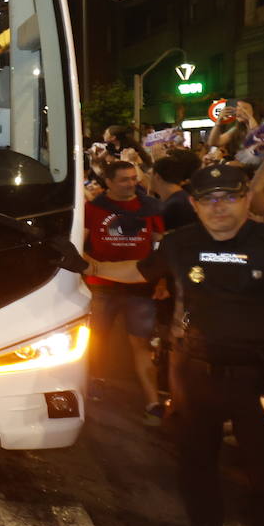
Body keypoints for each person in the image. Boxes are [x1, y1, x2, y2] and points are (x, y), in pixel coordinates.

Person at [86, 164, 264, 526]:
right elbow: (137, 271)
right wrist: (86, 267)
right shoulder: (181, 243)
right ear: (196, 205)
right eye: (208, 199)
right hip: (193, 375)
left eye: (229, 196)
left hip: (261, 380)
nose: (219, 207)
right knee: (195, 464)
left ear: (247, 199)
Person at [83, 159, 166, 422]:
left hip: (140, 287)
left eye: (134, 178)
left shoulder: (150, 207)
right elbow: (79, 243)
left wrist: (161, 279)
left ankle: (152, 399)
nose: (132, 183)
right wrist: (90, 266)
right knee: (96, 339)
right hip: (102, 287)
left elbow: (160, 246)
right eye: (124, 179)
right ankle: (94, 379)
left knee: (142, 343)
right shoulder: (93, 209)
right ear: (108, 182)